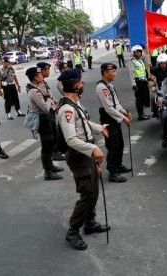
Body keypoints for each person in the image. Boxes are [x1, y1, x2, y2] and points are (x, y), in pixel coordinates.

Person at [57, 69, 110, 250]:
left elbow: (84, 124)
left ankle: (90, 222)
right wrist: (93, 148)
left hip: (85, 153)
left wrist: (99, 128)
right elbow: (71, 139)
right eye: (79, 82)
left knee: (93, 190)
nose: (82, 85)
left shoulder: (74, 104)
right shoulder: (66, 109)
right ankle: (73, 230)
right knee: (87, 193)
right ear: (73, 84)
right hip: (79, 155)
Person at [25, 67, 63, 180]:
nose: (41, 76)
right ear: (35, 77)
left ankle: (51, 167)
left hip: (45, 119)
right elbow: (45, 108)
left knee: (50, 143)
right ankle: (48, 172)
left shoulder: (37, 88)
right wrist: (48, 100)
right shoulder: (34, 91)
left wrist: (49, 99)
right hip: (42, 120)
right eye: (39, 75)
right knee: (46, 146)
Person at [96, 63, 132, 183]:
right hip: (108, 119)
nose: (115, 74)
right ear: (105, 72)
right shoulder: (101, 87)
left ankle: (118, 165)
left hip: (115, 118)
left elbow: (116, 103)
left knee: (120, 144)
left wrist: (124, 113)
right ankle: (112, 171)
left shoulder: (109, 85)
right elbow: (109, 108)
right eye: (112, 71)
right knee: (113, 146)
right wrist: (123, 118)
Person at [37, 62, 65, 161]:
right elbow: (46, 97)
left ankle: (56, 151)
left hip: (51, 109)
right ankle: (53, 152)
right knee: (51, 133)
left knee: (55, 131)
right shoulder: (39, 84)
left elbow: (50, 94)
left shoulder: (43, 82)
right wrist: (54, 105)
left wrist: (56, 102)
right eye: (47, 70)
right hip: (46, 111)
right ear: (42, 71)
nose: (49, 71)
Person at [129, 45, 151, 121]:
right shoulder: (132, 61)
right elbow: (131, 73)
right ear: (133, 52)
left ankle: (142, 113)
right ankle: (140, 115)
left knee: (142, 98)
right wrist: (133, 84)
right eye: (137, 52)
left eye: (139, 52)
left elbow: (144, 71)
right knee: (139, 99)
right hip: (137, 82)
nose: (138, 53)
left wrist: (147, 78)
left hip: (143, 82)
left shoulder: (140, 60)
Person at [150, 53, 167, 118]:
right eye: (161, 63)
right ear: (159, 63)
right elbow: (152, 77)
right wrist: (151, 82)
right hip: (160, 88)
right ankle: (155, 112)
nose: (162, 64)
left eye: (164, 63)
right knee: (153, 98)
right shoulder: (155, 69)